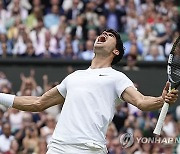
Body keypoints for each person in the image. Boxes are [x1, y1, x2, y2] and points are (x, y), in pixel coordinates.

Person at [0, 29, 178, 154]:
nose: (104, 34)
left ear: (115, 51)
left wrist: (161, 99)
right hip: (58, 147)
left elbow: (141, 102)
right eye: (103, 33)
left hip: (90, 149)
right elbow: (39, 103)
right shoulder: (74, 77)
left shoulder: (117, 78)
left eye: (110, 36)